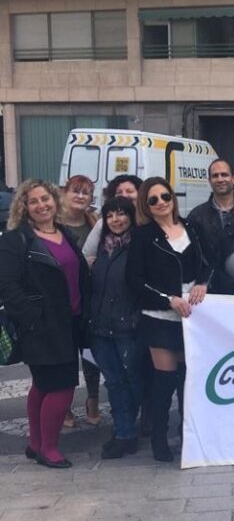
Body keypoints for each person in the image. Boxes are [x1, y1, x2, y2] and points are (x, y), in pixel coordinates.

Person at [0, 179, 90, 468]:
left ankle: (36, 443)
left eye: (45, 199)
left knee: (42, 385)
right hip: (41, 325)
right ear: (24, 207)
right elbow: (7, 285)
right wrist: (32, 318)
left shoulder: (63, 233)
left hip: (70, 321)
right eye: (33, 201)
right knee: (62, 386)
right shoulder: (16, 240)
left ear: (55, 200)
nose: (41, 205)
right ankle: (49, 449)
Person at [127, 177, 210, 462]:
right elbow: (134, 280)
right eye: (153, 200)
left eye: (165, 196)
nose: (161, 202)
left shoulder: (192, 228)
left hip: (192, 317)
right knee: (164, 380)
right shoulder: (142, 236)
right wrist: (168, 299)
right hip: (160, 316)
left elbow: (207, 264)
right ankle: (159, 439)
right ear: (146, 206)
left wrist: (202, 282)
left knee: (188, 379)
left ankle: (188, 433)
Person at [87, 196, 143, 459]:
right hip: (100, 327)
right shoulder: (102, 248)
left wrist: (133, 317)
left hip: (126, 326)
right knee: (114, 382)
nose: (116, 220)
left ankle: (127, 431)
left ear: (131, 217)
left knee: (131, 381)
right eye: (110, 215)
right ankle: (124, 432)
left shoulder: (138, 246)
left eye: (121, 214)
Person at [60, 174, 101, 427]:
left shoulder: (94, 223)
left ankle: (93, 399)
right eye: (76, 190)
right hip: (62, 300)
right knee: (64, 354)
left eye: (86, 192)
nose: (80, 196)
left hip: (89, 298)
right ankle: (64, 404)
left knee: (90, 353)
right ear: (65, 193)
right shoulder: (52, 224)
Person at [187, 159, 234, 269]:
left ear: (233, 179)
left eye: (224, 175)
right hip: (212, 282)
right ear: (209, 181)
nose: (220, 179)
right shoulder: (196, 216)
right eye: (215, 176)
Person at [82, 175, 144, 262]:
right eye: (119, 192)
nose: (124, 195)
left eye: (129, 191)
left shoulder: (146, 221)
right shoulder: (103, 224)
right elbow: (87, 255)